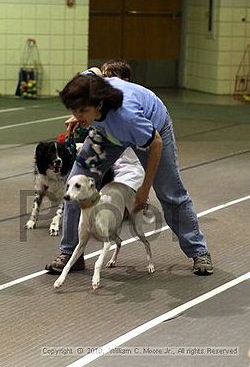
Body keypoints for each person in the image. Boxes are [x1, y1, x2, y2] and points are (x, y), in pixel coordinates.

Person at [45, 63, 213, 276]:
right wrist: (80, 115)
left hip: (152, 130)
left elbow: (156, 144)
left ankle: (199, 251)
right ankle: (71, 254)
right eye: (74, 110)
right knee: (76, 181)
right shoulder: (89, 85)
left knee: (170, 193)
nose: (77, 115)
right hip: (107, 132)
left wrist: (145, 188)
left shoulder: (127, 117)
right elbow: (96, 70)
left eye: (82, 110)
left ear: (98, 105)